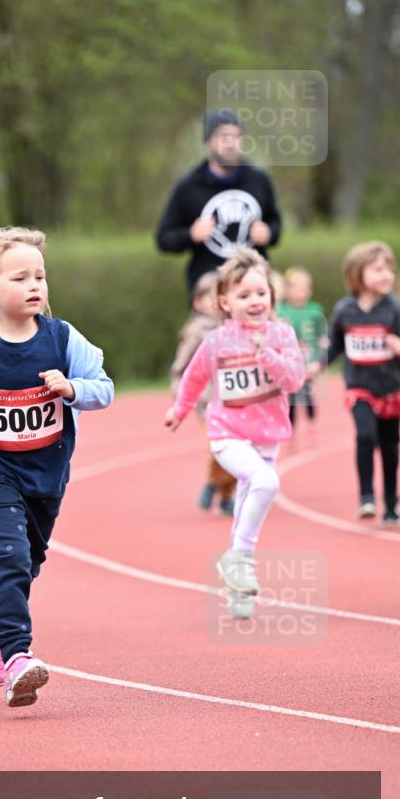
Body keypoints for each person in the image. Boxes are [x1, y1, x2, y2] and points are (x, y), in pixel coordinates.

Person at [0, 227, 114, 708]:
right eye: (20, 277)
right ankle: (16, 658)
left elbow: (104, 387)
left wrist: (72, 389)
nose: (35, 286)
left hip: (49, 471)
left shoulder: (62, 338)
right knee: (9, 557)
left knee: (30, 560)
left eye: (40, 276)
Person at [164, 249, 305, 597]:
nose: (255, 301)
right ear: (225, 302)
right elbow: (194, 378)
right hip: (227, 433)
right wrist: (179, 411)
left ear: (272, 296)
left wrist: (267, 356)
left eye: (261, 293)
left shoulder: (282, 335)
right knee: (265, 482)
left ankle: (236, 582)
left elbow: (294, 381)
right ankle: (239, 558)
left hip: (267, 436)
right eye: (244, 295)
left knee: (248, 500)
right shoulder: (216, 342)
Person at [155, 108, 282, 296]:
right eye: (224, 137)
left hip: (253, 283)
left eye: (236, 137)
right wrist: (190, 234)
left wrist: (269, 232)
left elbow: (276, 224)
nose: (231, 144)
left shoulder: (258, 180)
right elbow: (164, 239)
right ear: (208, 142)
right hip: (209, 286)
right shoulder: (189, 186)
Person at [318, 241, 400, 525]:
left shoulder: (395, 309)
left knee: (391, 449)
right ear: (357, 274)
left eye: (389, 268)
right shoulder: (345, 310)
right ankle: (366, 496)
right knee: (365, 436)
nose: (386, 275)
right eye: (378, 269)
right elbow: (334, 345)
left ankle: (391, 503)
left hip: (391, 390)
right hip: (360, 388)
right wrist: (317, 365)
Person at [169, 271, 236, 515]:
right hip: (206, 402)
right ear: (198, 302)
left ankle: (223, 493)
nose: (216, 301)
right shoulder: (196, 331)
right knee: (217, 447)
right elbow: (180, 367)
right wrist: (181, 398)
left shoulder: (234, 329)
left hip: (234, 401)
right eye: (209, 297)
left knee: (235, 449)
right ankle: (214, 484)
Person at [277, 267, 328, 427]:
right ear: (287, 290)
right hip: (289, 360)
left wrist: (320, 356)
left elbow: (323, 335)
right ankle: (290, 422)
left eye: (304, 288)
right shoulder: (281, 311)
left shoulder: (315, 311)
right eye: (296, 288)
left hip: (308, 358)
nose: (300, 292)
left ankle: (311, 418)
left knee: (307, 389)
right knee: (290, 392)